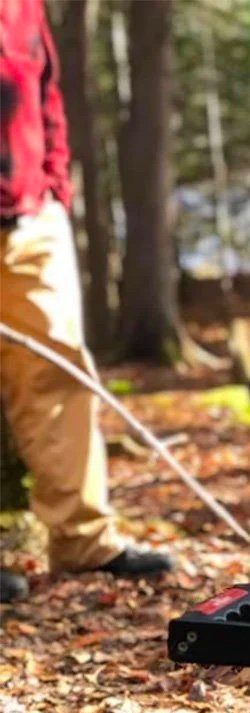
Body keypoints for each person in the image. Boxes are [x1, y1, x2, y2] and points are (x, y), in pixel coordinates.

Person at [1, 0, 172, 603]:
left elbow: (45, 95)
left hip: (30, 220)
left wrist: (54, 186)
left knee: (58, 372)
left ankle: (81, 539)